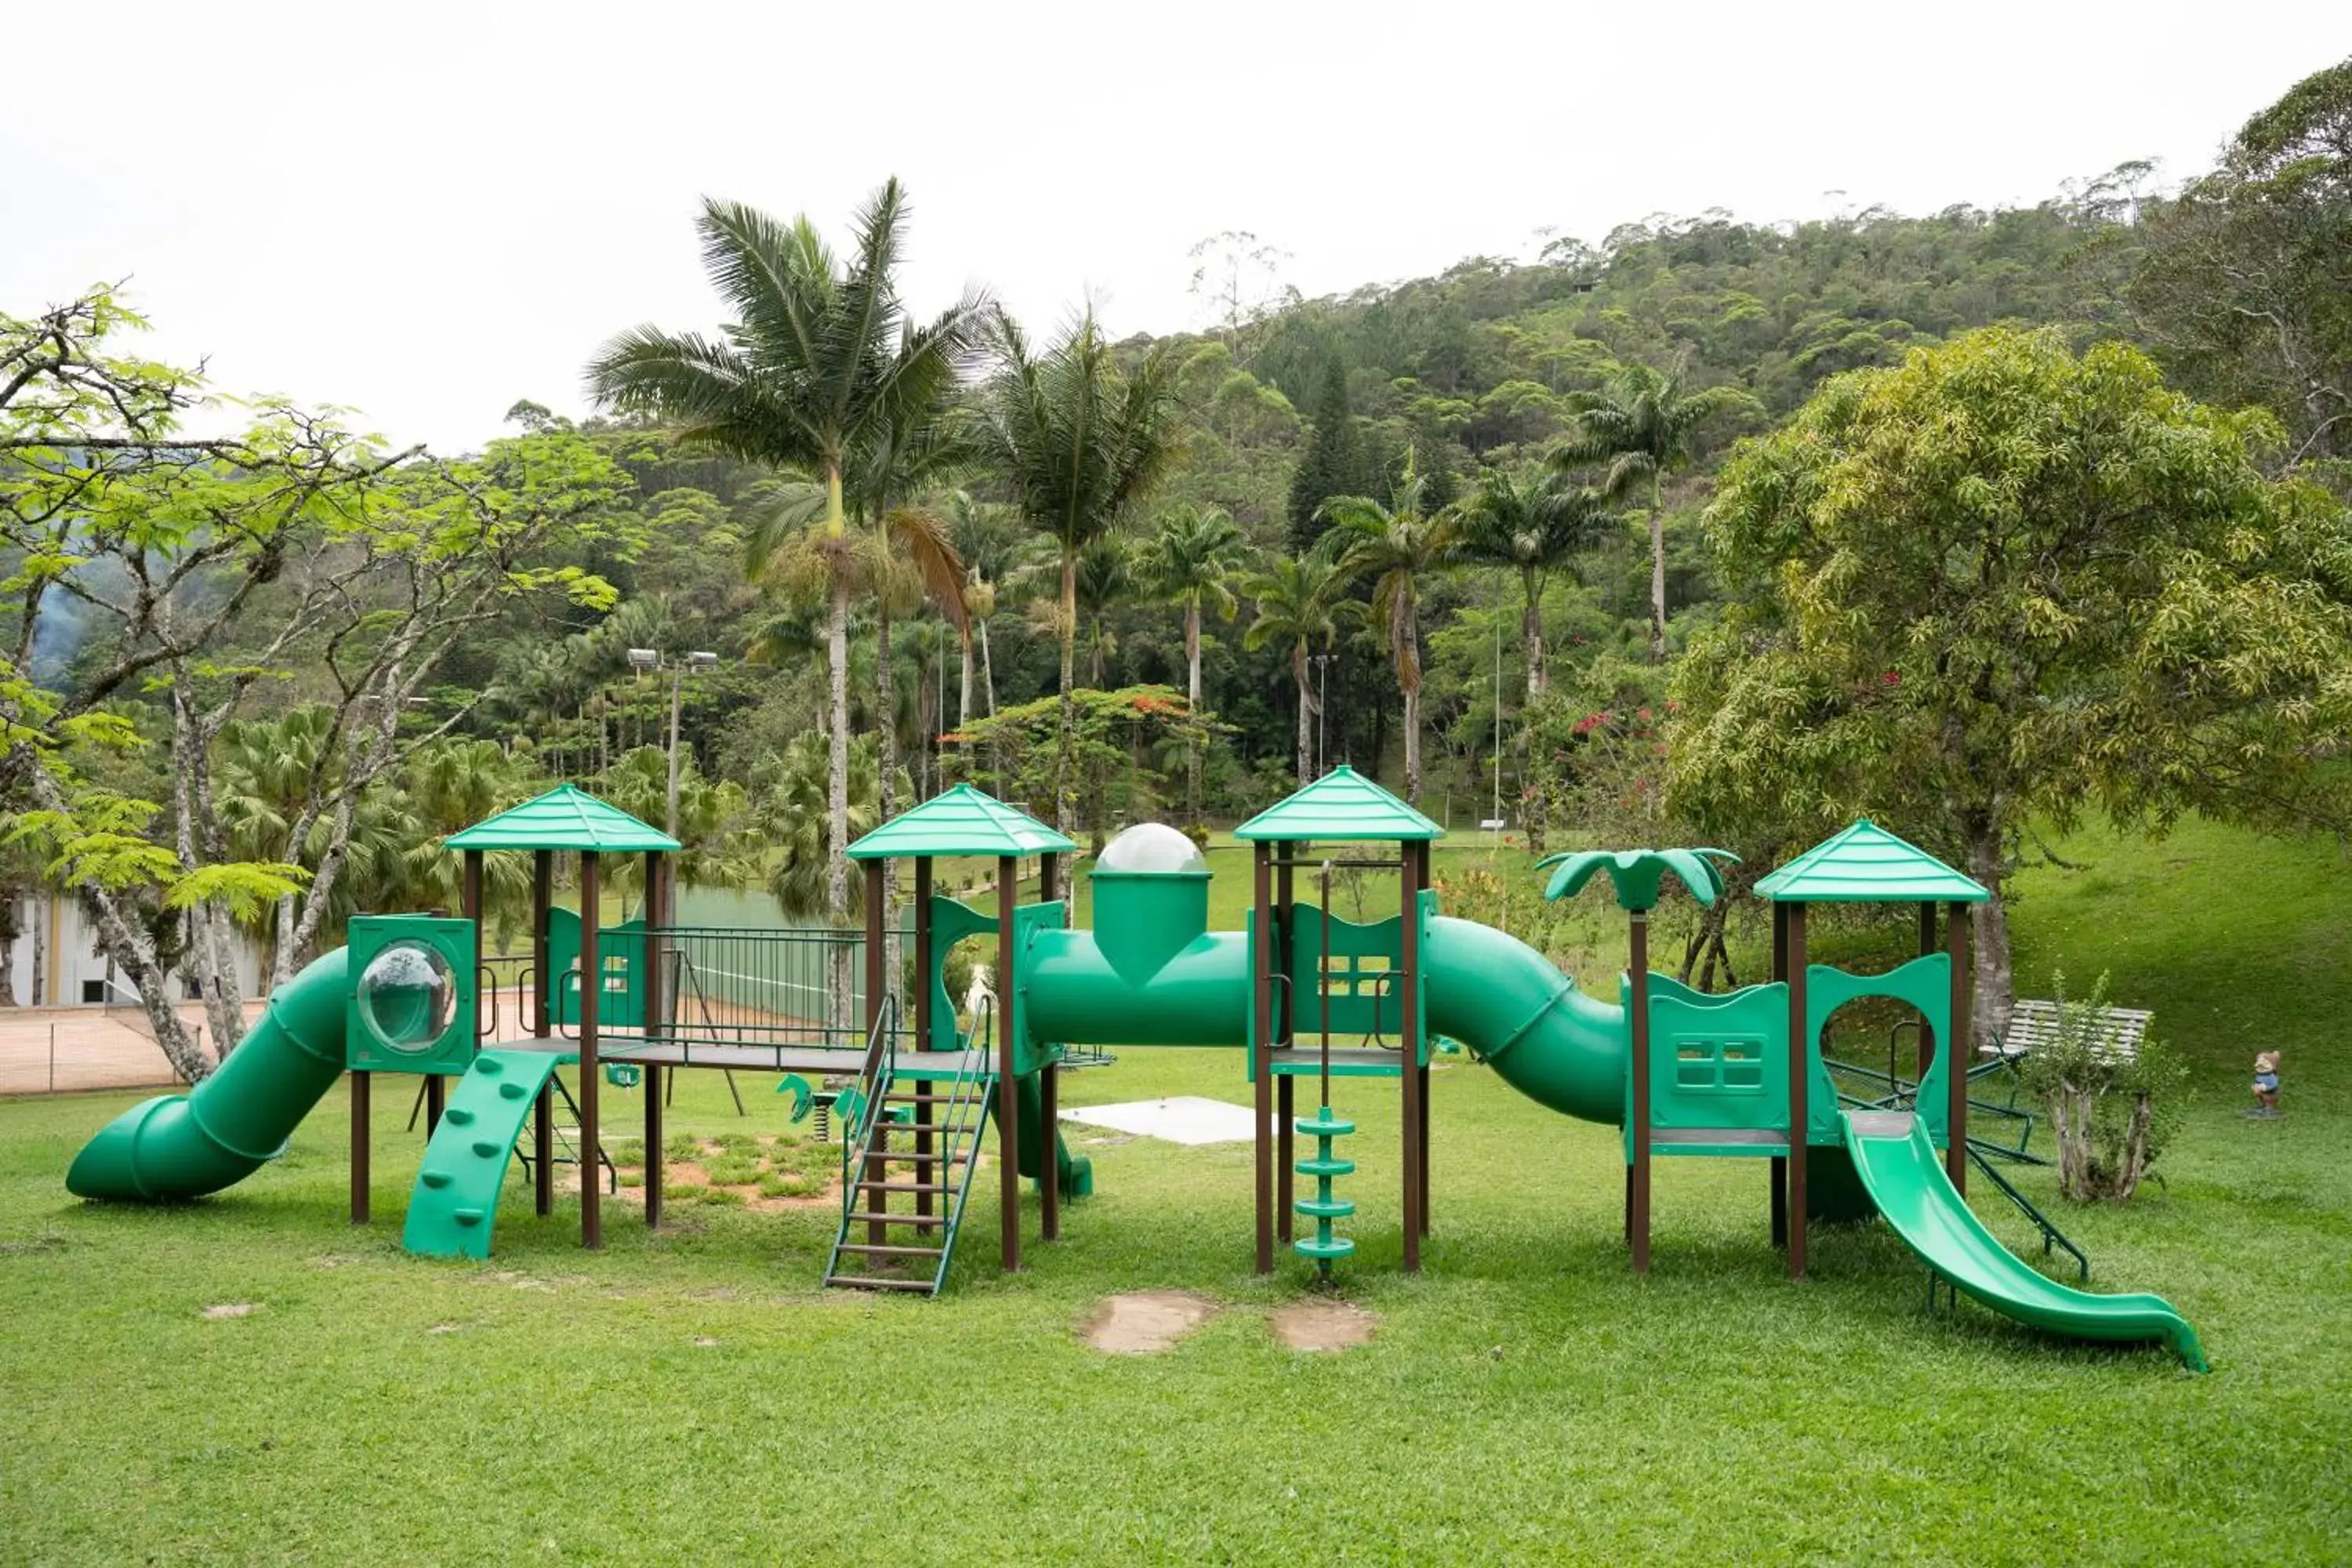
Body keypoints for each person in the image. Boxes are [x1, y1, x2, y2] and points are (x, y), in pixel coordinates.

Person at [2249, 1050, 2281, 1118]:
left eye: (2264, 1062)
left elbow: (2274, 1085)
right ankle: (2264, 1106)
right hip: (2262, 1092)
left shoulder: (2271, 1076)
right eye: (2259, 1062)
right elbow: (2258, 1081)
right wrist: (2255, 1086)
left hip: (2271, 1093)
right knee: (2262, 1098)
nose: (2260, 1064)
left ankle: (2269, 1109)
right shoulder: (2260, 1075)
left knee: (2268, 1099)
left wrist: (2266, 1088)